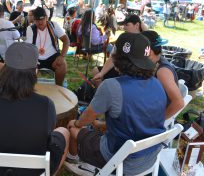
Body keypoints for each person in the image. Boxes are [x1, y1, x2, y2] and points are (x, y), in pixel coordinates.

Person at [65, 32, 167, 175]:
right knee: (95, 127)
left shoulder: (112, 86)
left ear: (119, 60)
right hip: (149, 157)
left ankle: (74, 159)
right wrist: (101, 125)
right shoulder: (157, 84)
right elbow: (137, 120)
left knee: (72, 126)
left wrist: (76, 124)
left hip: (120, 159)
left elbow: (86, 118)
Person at [0, 43, 70, 175]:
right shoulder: (45, 105)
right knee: (64, 132)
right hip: (32, 172)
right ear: (35, 71)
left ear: (4, 69)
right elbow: (47, 138)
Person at [92, 14, 148, 85]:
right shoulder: (123, 37)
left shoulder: (144, 40)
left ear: (137, 25)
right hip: (119, 69)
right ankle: (102, 94)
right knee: (95, 71)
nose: (124, 28)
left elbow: (149, 34)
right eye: (123, 25)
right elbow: (113, 57)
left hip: (133, 73)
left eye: (127, 25)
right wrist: (102, 73)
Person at [142, 30, 184, 119]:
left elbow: (179, 103)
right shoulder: (155, 61)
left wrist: (158, 121)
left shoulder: (162, 71)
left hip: (154, 116)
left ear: (148, 51)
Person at [26, 7, 70, 86]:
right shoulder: (30, 29)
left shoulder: (53, 25)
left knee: (62, 64)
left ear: (46, 18)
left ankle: (58, 87)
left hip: (52, 57)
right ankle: (31, 90)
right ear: (34, 20)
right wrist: (32, 60)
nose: (40, 22)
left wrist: (62, 56)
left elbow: (66, 40)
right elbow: (28, 48)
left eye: (42, 19)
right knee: (27, 67)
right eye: (37, 20)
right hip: (36, 58)